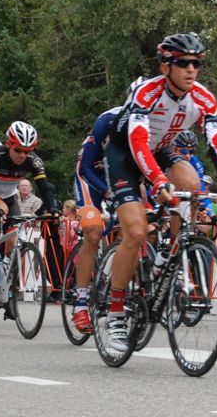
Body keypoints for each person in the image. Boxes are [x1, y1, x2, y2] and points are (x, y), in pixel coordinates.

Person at [104, 32, 217, 351]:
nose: (191, 69)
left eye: (196, 63)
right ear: (166, 66)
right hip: (126, 155)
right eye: (182, 63)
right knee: (136, 231)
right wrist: (157, 181)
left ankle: (171, 250)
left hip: (162, 149)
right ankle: (115, 314)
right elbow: (139, 142)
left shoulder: (204, 98)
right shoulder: (147, 93)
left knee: (191, 183)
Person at [69, 78, 145, 333]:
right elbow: (85, 167)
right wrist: (106, 191)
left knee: (138, 230)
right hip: (92, 178)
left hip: (121, 177)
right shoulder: (108, 120)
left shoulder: (150, 125)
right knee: (93, 232)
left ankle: (123, 288)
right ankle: (80, 302)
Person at [0, 121, 58, 283]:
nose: (22, 155)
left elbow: (44, 187)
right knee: (1, 210)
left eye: (27, 152)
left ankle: (5, 285)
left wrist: (53, 208)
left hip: (9, 197)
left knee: (12, 243)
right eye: (18, 150)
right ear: (8, 144)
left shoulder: (34, 161)